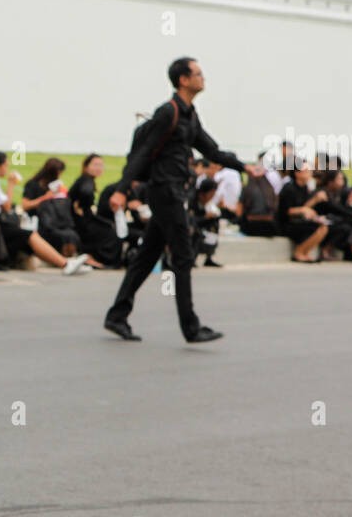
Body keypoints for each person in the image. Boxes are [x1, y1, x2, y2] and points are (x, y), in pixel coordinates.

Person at [104, 57, 255, 343]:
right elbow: (144, 153)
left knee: (148, 255)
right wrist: (122, 189)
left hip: (173, 192)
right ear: (183, 80)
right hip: (165, 191)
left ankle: (117, 315)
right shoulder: (168, 112)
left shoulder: (189, 116)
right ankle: (191, 327)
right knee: (184, 256)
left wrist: (244, 167)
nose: (203, 78)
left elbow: (211, 150)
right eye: (198, 73)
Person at [236, 162, 278, 237]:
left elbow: (239, 211)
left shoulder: (247, 188)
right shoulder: (270, 189)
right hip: (270, 227)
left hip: (251, 226)